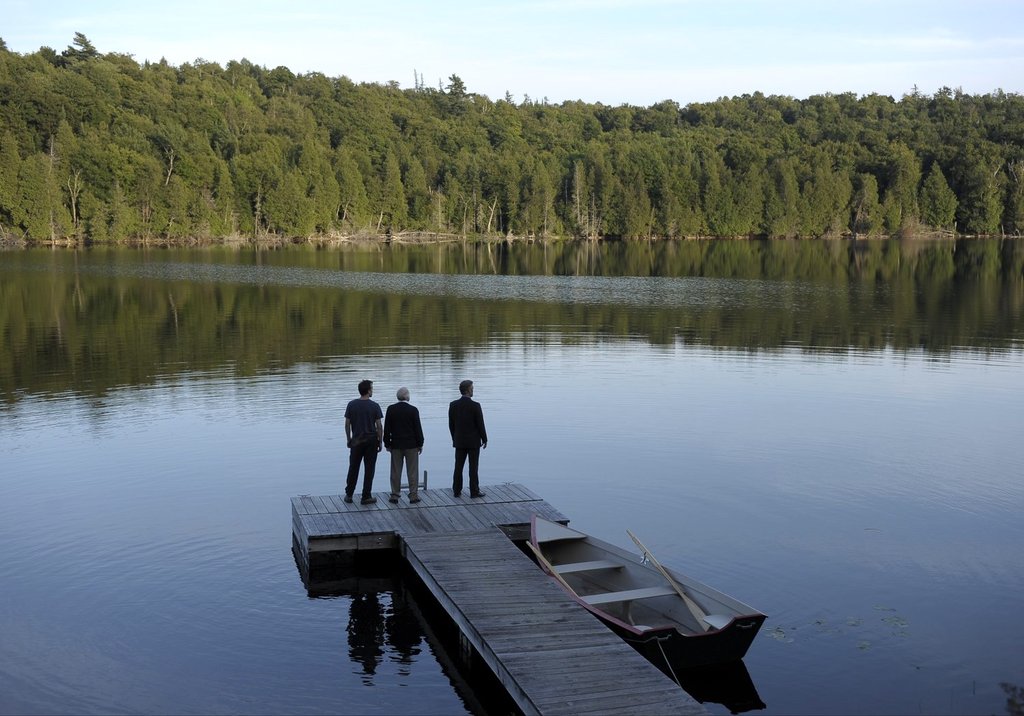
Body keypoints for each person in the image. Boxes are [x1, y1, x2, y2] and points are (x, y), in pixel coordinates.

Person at [344, 379, 384, 505]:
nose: (372, 391)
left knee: (353, 467)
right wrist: (380, 441)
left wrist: (349, 439)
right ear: (368, 391)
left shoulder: (351, 405)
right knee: (369, 468)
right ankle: (366, 496)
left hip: (356, 440)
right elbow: (379, 426)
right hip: (371, 441)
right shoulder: (375, 406)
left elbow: (347, 424)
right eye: (371, 388)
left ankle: (349, 494)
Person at [383, 387, 424, 504]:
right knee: (412, 471)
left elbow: (387, 429)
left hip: (396, 444)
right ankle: (413, 495)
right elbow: (418, 429)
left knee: (395, 471)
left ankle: (395, 495)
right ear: (406, 396)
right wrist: (420, 443)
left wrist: (387, 443)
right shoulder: (413, 410)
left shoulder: (391, 409)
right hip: (411, 445)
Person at [448, 379, 487, 498]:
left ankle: (456, 490)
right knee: (473, 467)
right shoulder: (475, 406)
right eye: (472, 388)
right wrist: (484, 439)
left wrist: (454, 437)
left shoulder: (453, 405)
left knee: (458, 466)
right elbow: (480, 424)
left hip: (459, 441)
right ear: (468, 390)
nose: (473, 390)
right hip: (473, 442)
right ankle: (474, 491)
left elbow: (451, 424)